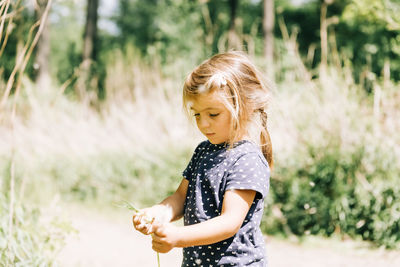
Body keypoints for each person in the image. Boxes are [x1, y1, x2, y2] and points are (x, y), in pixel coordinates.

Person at [132, 51, 273, 267]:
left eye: (213, 114)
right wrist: (158, 213)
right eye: (197, 114)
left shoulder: (246, 159)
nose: (203, 124)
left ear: (245, 106)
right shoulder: (203, 151)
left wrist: (178, 237)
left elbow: (229, 222)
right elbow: (180, 198)